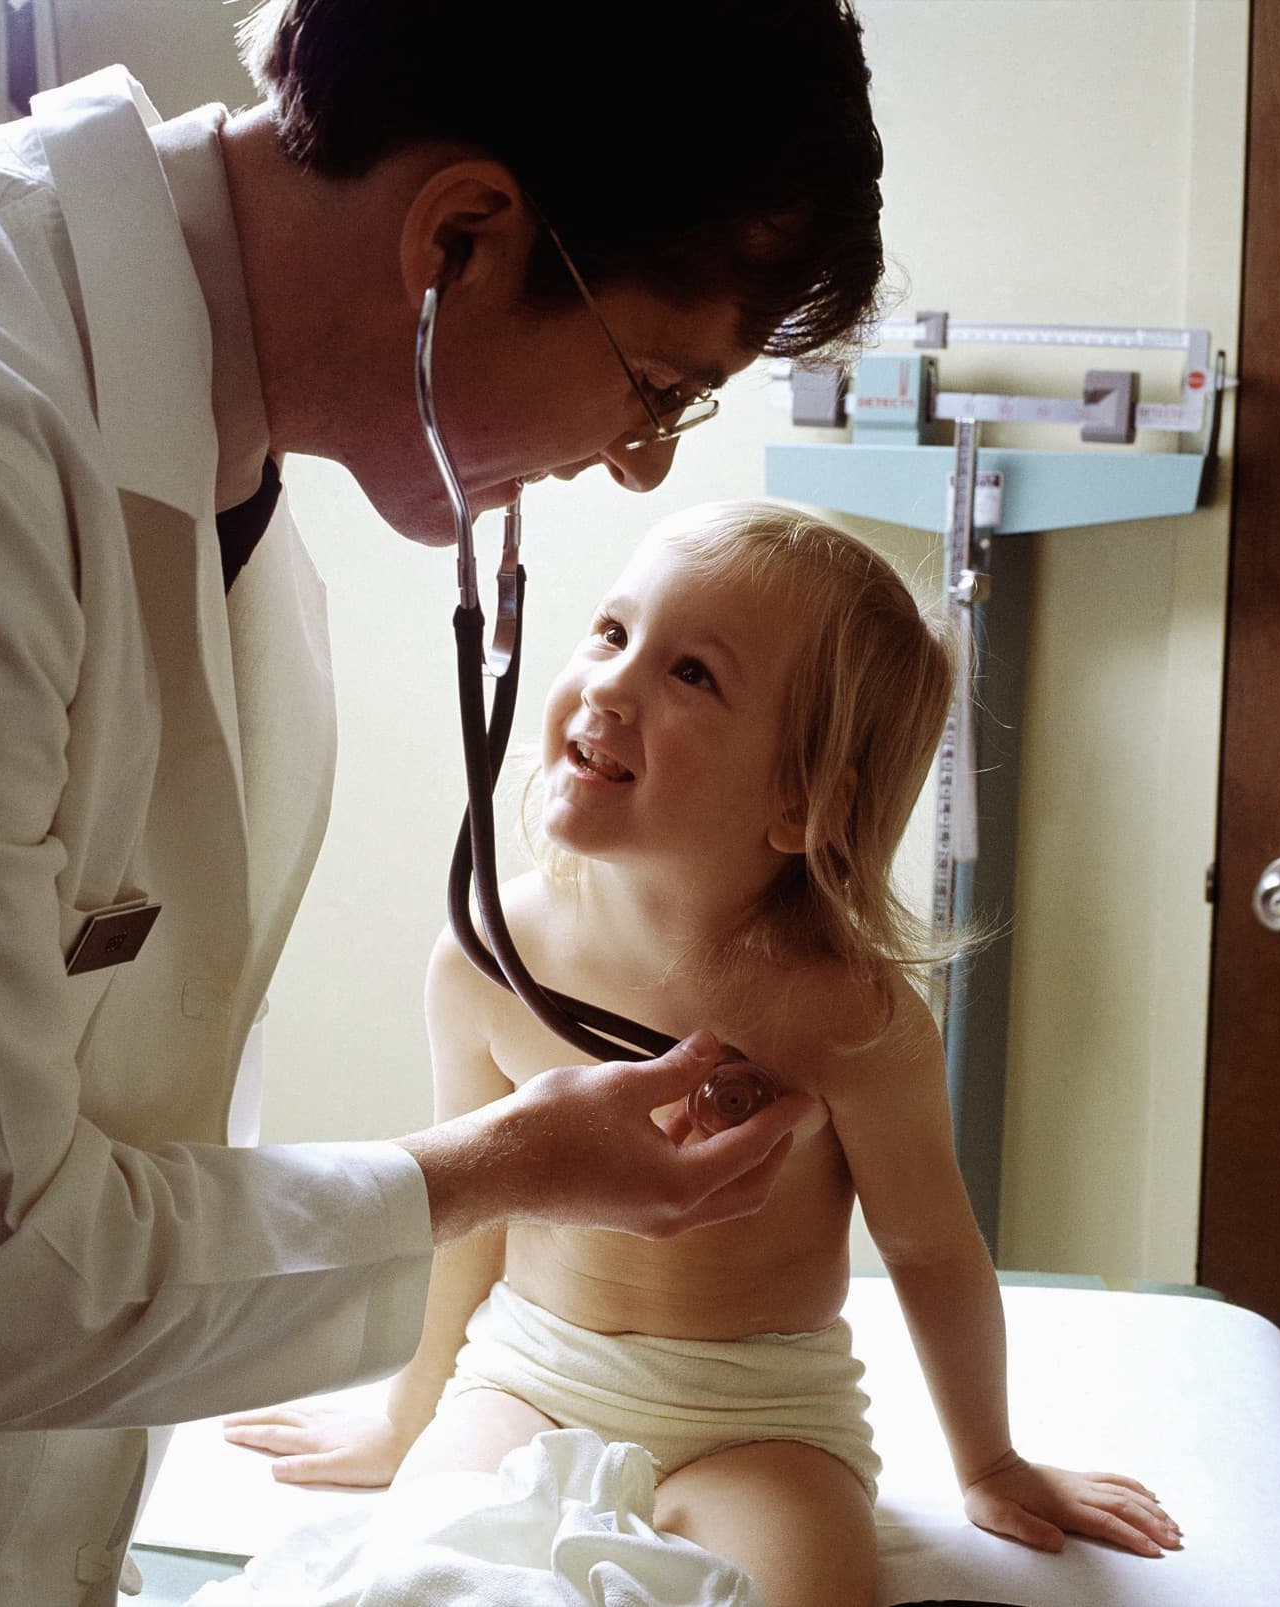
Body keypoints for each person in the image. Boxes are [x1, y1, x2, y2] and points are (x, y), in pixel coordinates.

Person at [0, 1, 893, 1602]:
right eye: (657, 383)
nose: (644, 465)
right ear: (461, 241)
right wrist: (493, 1168)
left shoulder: (206, 482)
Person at [224, 501, 1185, 1606]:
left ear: (801, 801)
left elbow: (929, 1247)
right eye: (610, 631)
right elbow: (471, 1211)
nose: (612, 683)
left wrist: (990, 1459)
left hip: (762, 1418)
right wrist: (408, 1415)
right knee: (419, 1575)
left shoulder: (845, 1015)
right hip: (529, 1379)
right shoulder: (487, 955)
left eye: (692, 674)